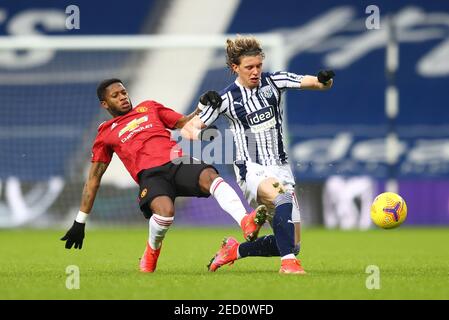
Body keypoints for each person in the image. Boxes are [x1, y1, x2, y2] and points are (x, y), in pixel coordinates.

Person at [60, 78, 268, 273]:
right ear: (105, 104)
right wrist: (80, 221)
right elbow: (93, 179)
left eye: (124, 92)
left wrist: (202, 105)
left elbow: (185, 122)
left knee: (211, 176)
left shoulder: (149, 107)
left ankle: (245, 221)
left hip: (176, 161)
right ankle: (151, 251)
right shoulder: (105, 133)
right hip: (150, 176)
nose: (123, 97)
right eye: (115, 95)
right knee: (165, 213)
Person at [181, 35, 334, 274]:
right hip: (251, 169)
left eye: (258, 66)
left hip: (281, 168)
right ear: (235, 68)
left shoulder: (275, 81)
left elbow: (316, 83)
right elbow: (188, 130)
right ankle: (289, 265)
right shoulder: (225, 99)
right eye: (249, 67)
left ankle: (235, 251)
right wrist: (202, 111)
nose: (255, 72)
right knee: (281, 199)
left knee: (292, 243)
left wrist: (325, 79)